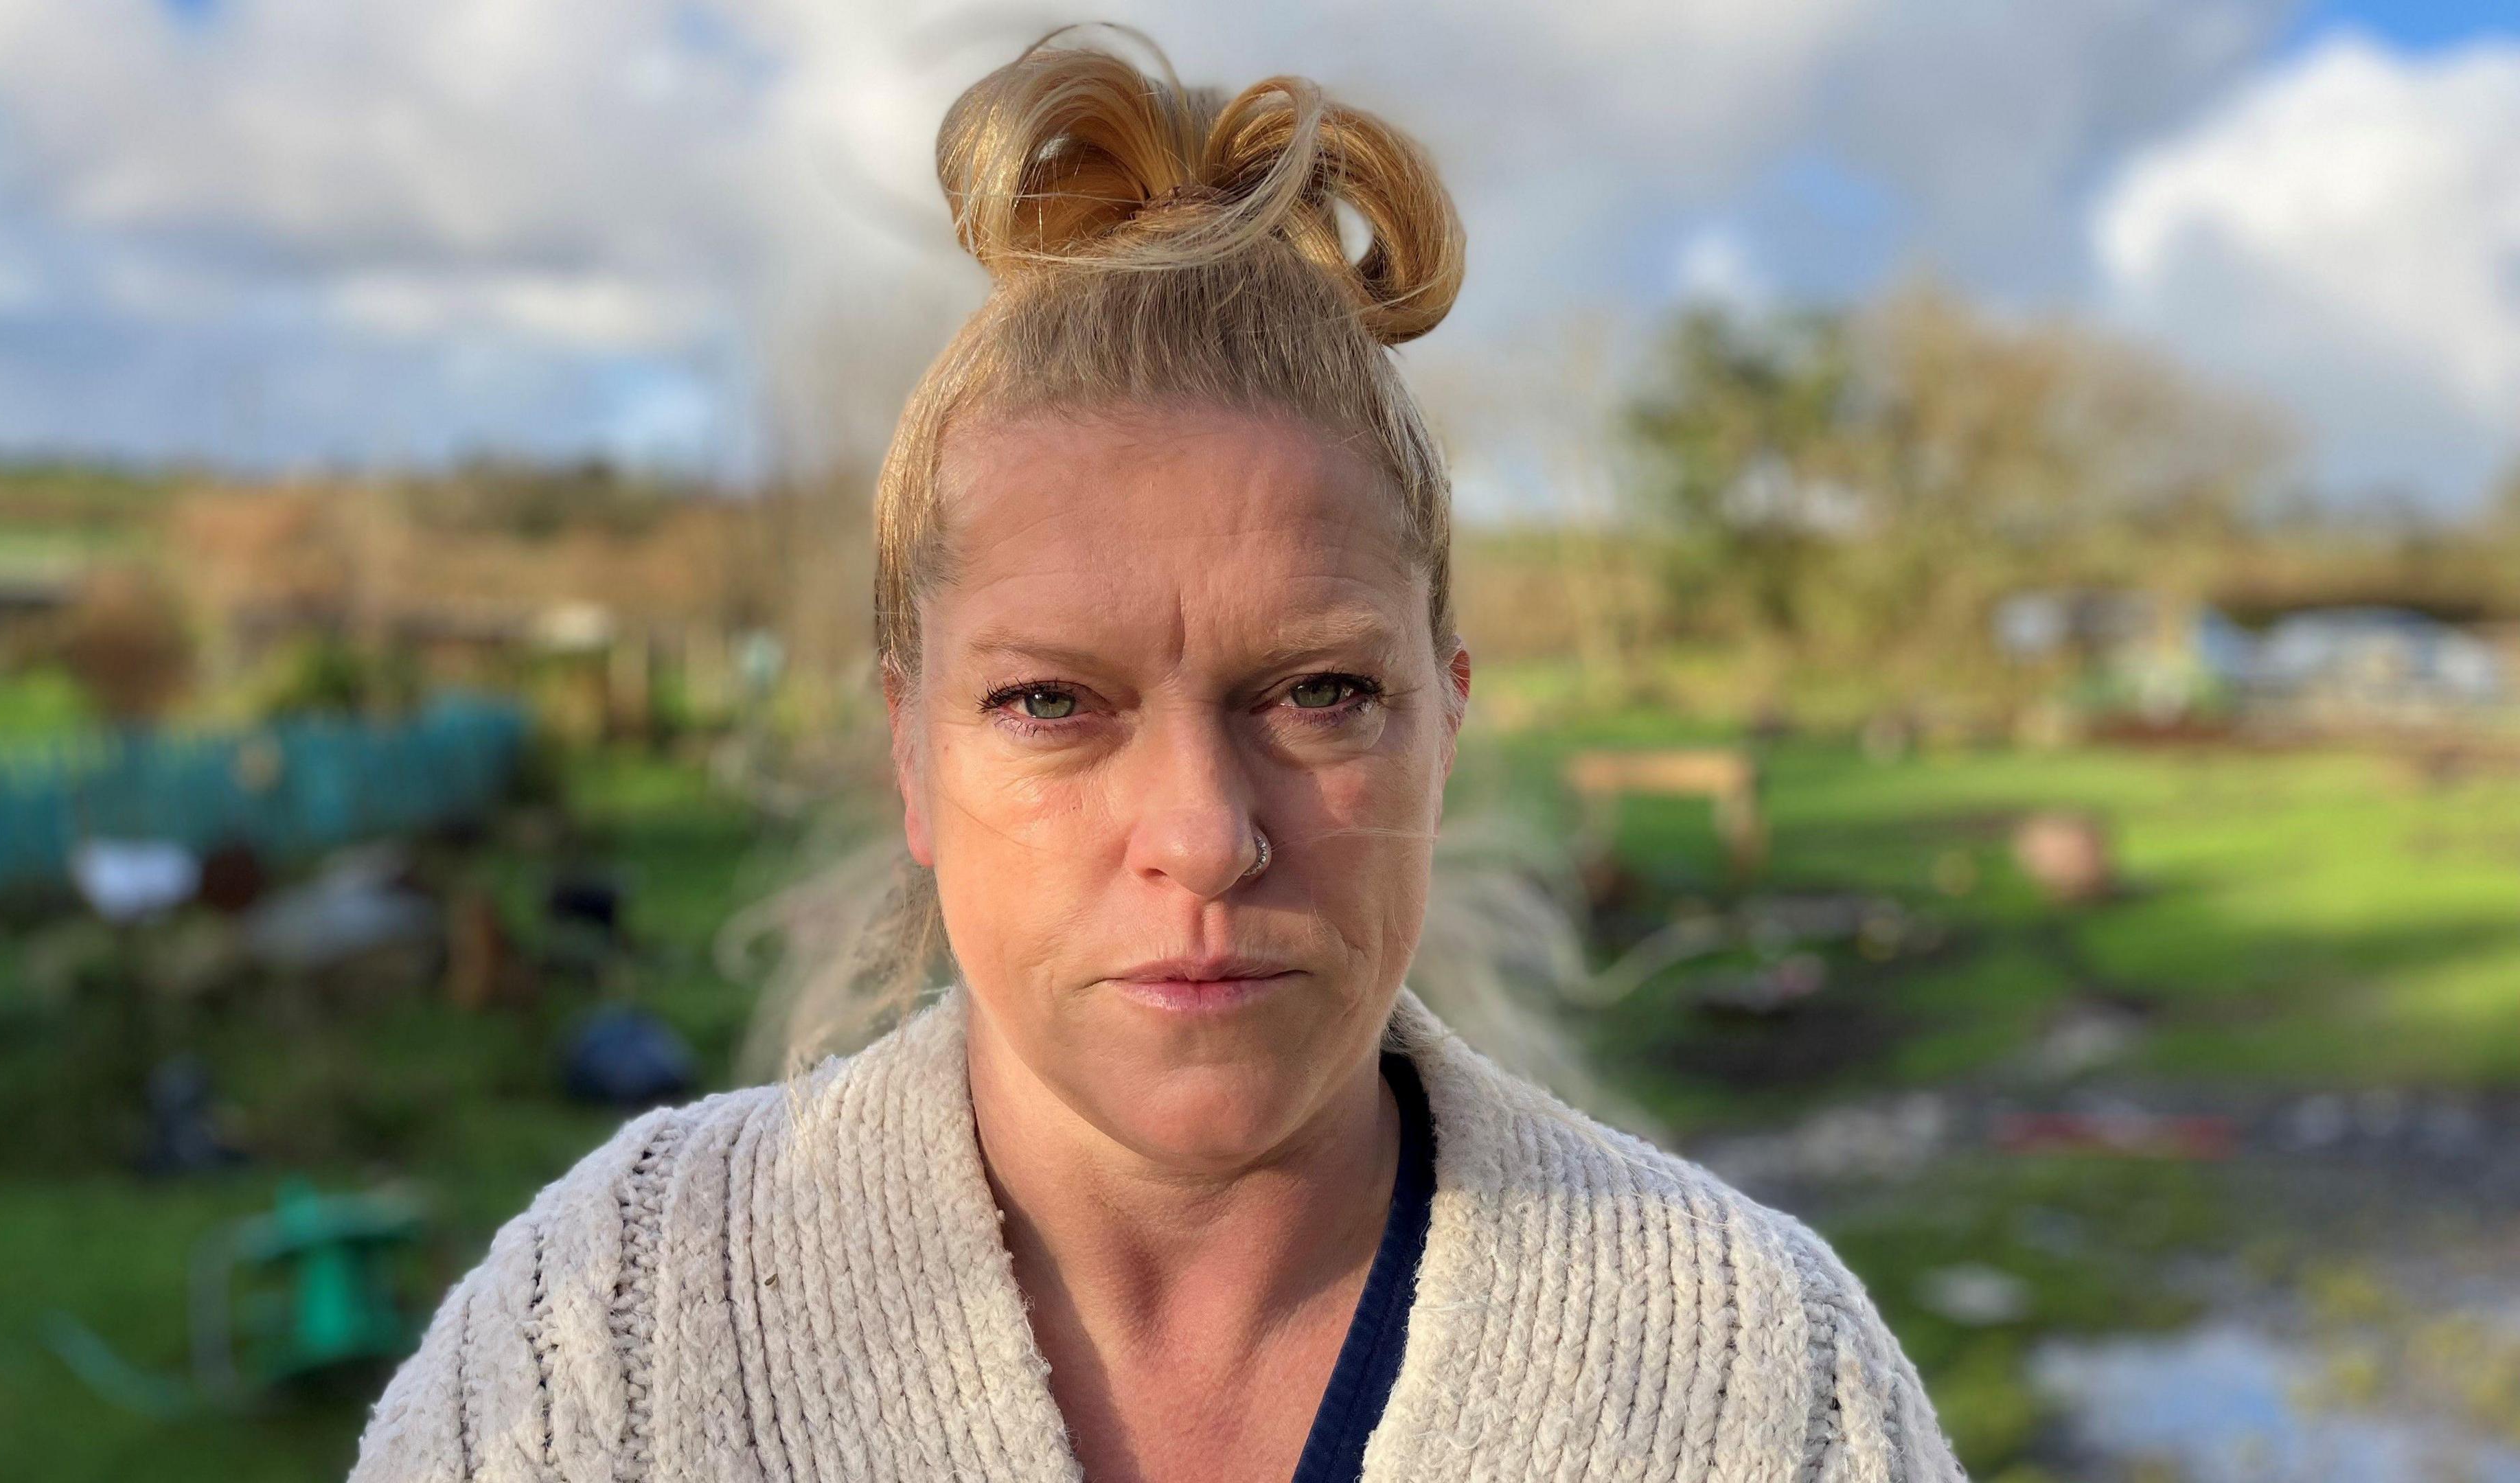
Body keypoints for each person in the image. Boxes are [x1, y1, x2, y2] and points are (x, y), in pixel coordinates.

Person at [352, 32, 1962, 1483]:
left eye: (1320, 692)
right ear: (907, 754)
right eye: (1053, 703)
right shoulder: (599, 1353)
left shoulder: (1760, 1388)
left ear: (1446, 729)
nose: (1201, 834)